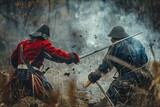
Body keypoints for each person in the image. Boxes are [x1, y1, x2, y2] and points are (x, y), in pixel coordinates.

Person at [3, 24, 80, 106]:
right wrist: (71, 57)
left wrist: (21, 69)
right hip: (31, 77)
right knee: (53, 99)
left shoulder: (22, 43)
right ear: (44, 36)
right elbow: (56, 54)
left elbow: (13, 59)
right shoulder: (42, 43)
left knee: (7, 102)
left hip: (17, 76)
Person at [87, 26, 152, 106]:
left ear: (115, 37)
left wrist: (92, 77)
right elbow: (145, 60)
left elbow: (105, 66)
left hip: (128, 81)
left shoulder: (117, 45)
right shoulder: (137, 42)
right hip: (146, 78)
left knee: (111, 98)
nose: (111, 40)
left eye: (112, 38)